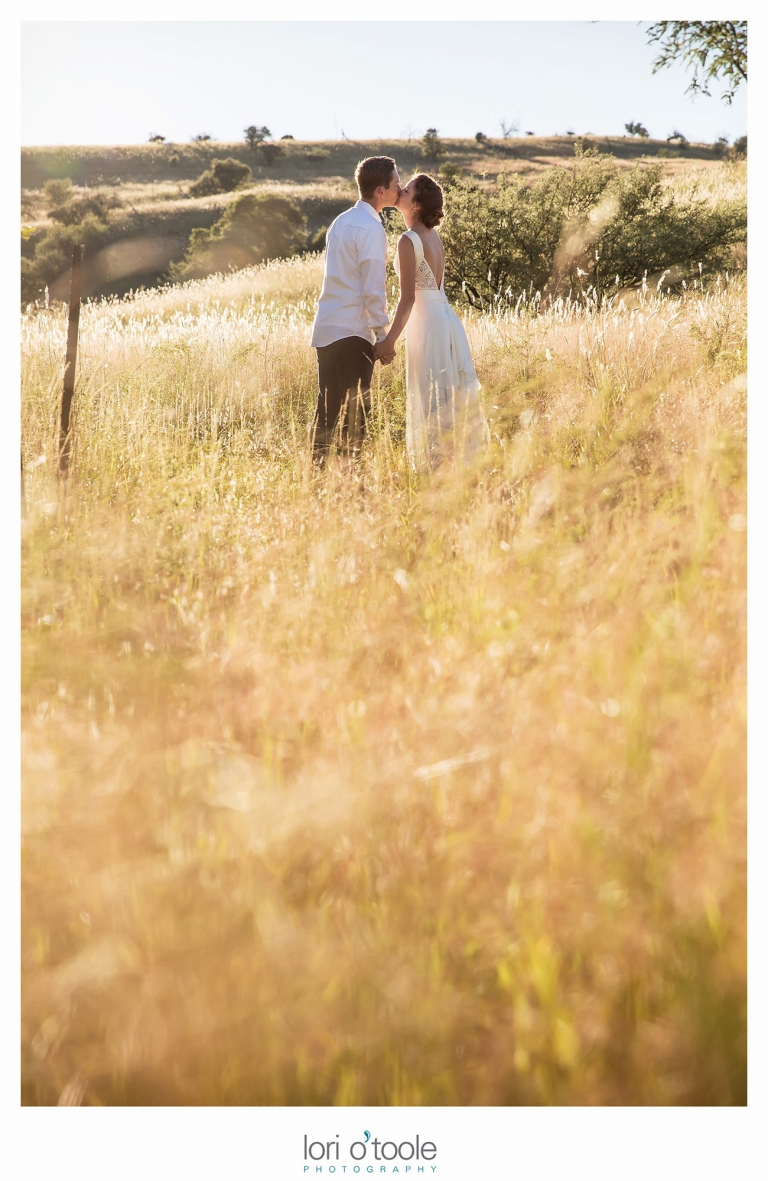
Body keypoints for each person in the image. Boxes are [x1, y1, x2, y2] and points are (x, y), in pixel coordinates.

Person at [378, 174, 489, 469]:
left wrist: (389, 340)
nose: (400, 190)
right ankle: (454, 466)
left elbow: (408, 298)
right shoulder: (433, 237)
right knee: (445, 394)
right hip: (445, 319)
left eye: (407, 189)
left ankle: (437, 469)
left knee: (432, 396)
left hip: (427, 324)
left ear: (415, 204)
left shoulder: (408, 239)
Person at [309, 155, 401, 459]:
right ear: (380, 190)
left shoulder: (340, 222)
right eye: (396, 184)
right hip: (353, 333)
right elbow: (372, 288)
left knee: (326, 412)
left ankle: (317, 478)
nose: (399, 188)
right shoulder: (371, 229)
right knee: (356, 417)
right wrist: (382, 336)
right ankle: (350, 486)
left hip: (327, 329)